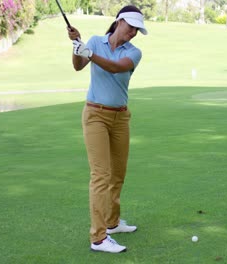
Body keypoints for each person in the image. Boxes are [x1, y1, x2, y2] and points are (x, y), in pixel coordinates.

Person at [67, 5, 148, 253]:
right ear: (119, 21)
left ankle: (112, 223)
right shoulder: (95, 42)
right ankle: (99, 238)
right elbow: (78, 66)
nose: (134, 32)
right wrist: (77, 47)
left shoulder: (134, 53)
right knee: (101, 175)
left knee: (118, 174)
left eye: (137, 29)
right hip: (95, 116)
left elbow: (115, 67)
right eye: (131, 26)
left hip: (121, 118)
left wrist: (89, 53)